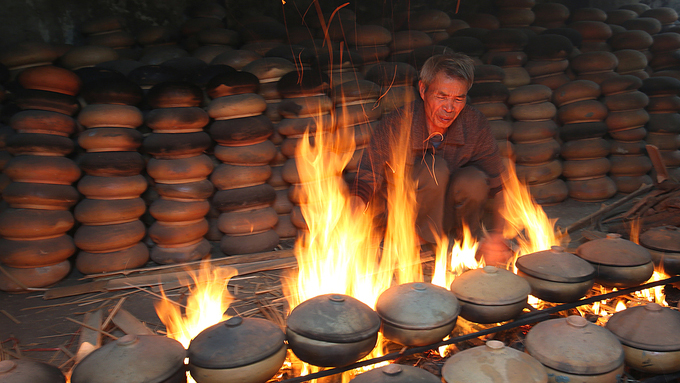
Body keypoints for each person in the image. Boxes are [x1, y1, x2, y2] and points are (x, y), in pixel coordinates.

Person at [350, 53, 512, 266]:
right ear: (423, 90)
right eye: (442, 96)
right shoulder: (397, 124)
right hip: (405, 219)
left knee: (474, 180)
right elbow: (366, 178)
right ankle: (418, 246)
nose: (449, 108)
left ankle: (462, 243)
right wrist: (347, 229)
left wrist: (498, 236)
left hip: (449, 218)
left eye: (458, 98)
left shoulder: (474, 124)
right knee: (434, 168)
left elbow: (500, 185)